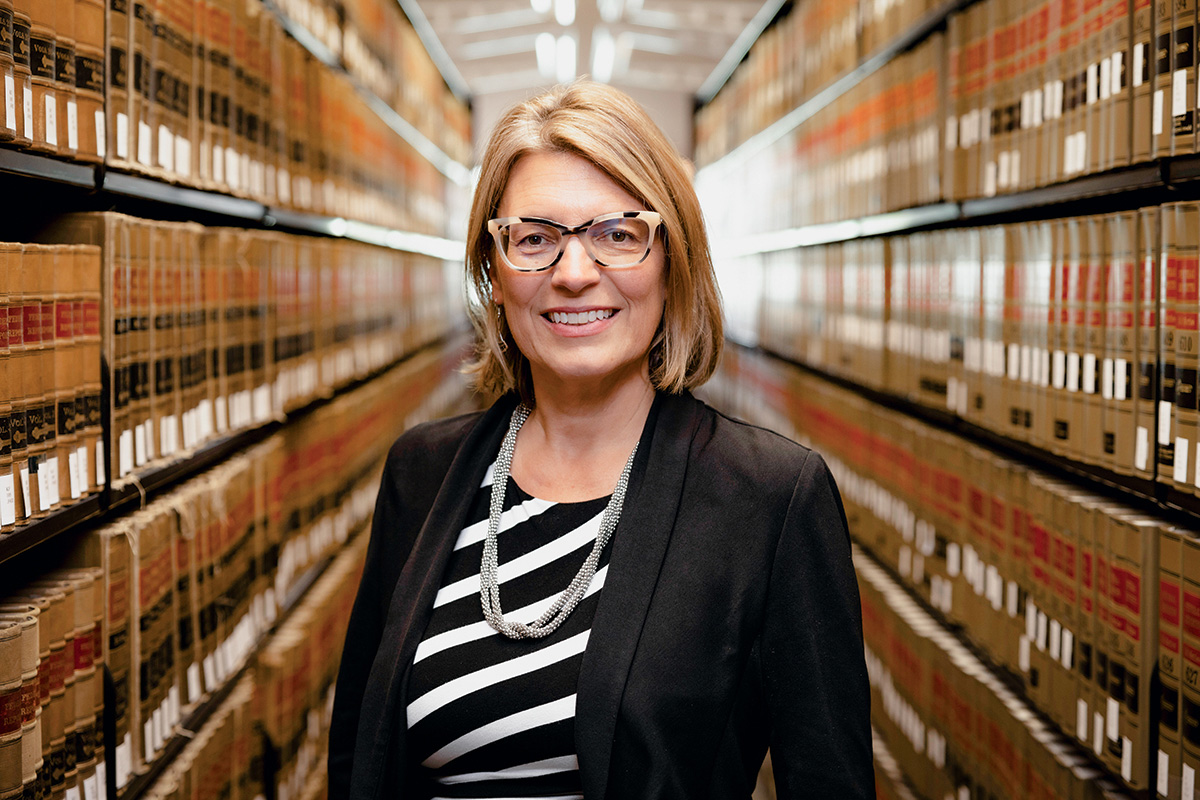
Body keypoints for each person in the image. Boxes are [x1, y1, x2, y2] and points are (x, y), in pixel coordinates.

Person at [328, 80, 874, 799]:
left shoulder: (771, 499)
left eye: (618, 234)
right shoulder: (421, 474)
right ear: (493, 271)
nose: (575, 274)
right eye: (535, 239)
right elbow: (358, 761)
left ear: (670, 260)